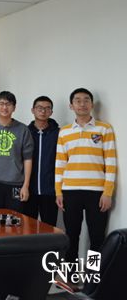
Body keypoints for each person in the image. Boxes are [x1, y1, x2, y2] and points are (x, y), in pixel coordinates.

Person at [56, 88, 117, 264]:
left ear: (92, 104)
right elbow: (60, 164)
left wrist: (107, 192)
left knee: (97, 237)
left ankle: (93, 275)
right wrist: (58, 192)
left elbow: (111, 162)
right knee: (71, 235)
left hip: (97, 192)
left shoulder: (104, 129)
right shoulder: (64, 132)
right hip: (70, 191)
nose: (82, 104)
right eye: (77, 100)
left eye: (86, 100)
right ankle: (70, 273)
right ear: (71, 106)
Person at [0, 91, 33, 213]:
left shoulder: (23, 129)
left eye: (8, 104)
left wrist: (25, 186)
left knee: (15, 219)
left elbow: (28, 159)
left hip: (15, 183)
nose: (4, 107)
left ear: (14, 107)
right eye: (1, 104)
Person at [24, 96, 59, 226]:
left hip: (50, 191)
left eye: (47, 108)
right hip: (28, 190)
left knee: (49, 228)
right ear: (33, 110)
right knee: (27, 228)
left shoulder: (58, 133)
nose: (43, 111)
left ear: (51, 112)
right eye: (39, 108)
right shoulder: (25, 132)